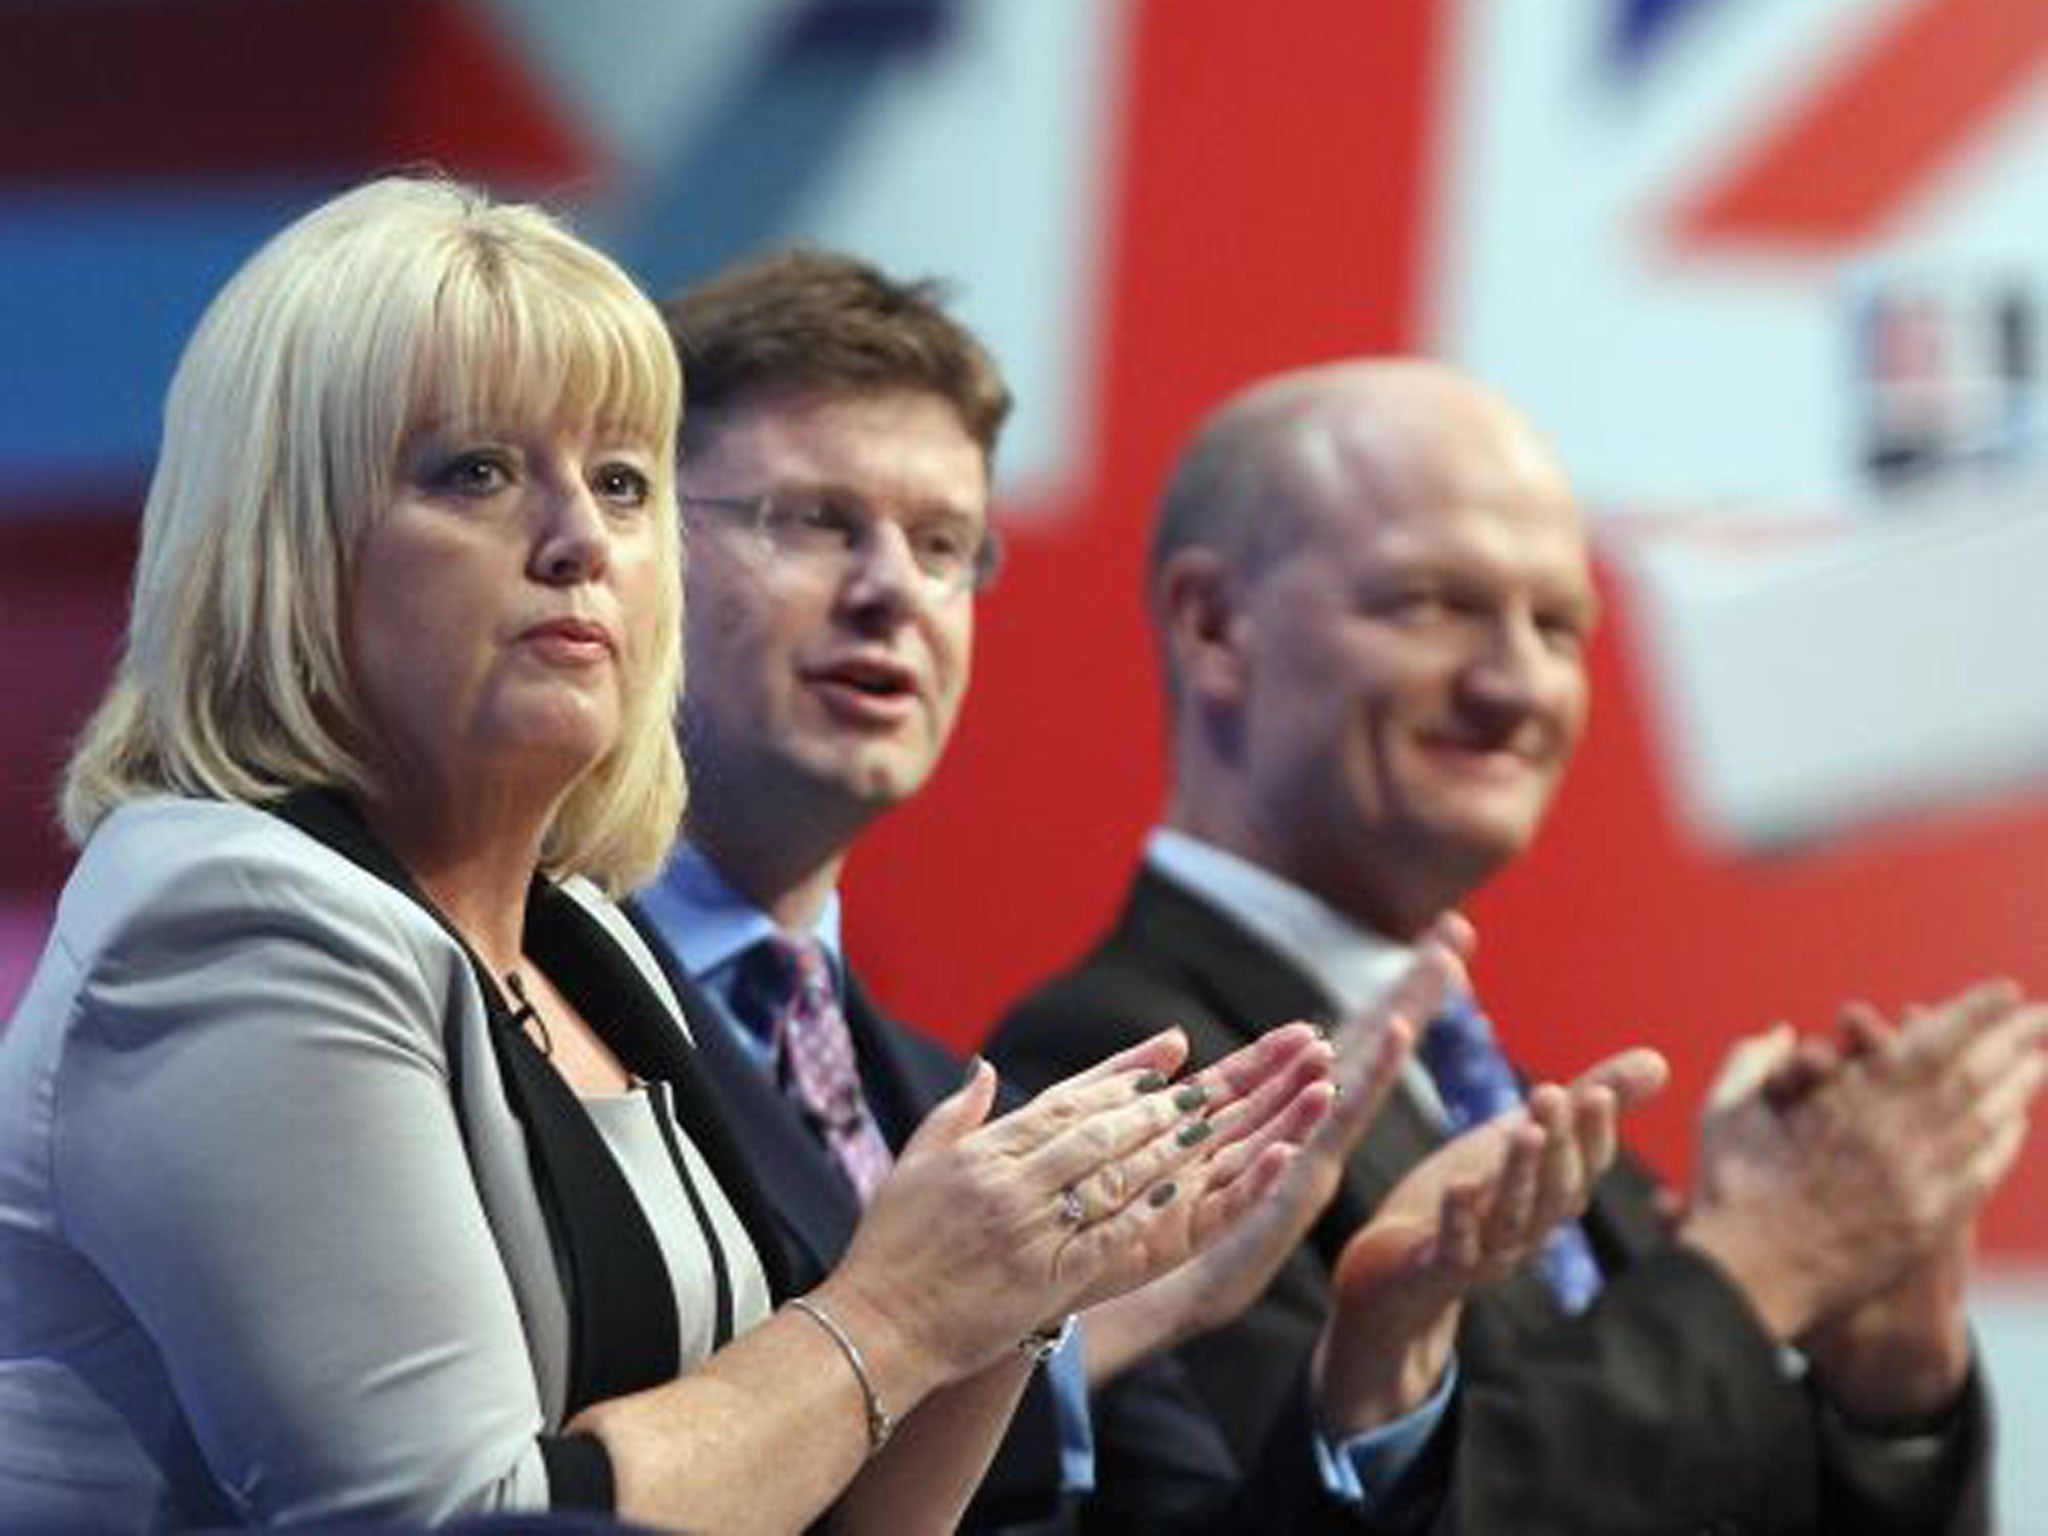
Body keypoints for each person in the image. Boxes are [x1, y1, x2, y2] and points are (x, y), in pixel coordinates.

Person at [0, 177, 1348, 1535]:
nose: (581, 540)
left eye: (624, 482)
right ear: (290, 536)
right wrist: (895, 1309)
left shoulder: (589, 934)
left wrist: (1005, 1304)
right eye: (476, 470)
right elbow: (465, 1523)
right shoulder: (234, 922)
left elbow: (812, 1506)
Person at [633, 251, 1665, 1534]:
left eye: (944, 543)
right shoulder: (520, 997)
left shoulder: (935, 1097)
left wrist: (1373, 1369)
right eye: (815, 521)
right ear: (627, 540)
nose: (893, 589)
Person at [990, 357, 2048, 1535]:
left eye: (1558, 625)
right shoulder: (1110, 1074)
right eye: (1431, 603)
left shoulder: (1492, 1098)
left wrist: (1885, 1385)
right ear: (1215, 623)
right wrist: (1759, 1271)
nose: (1516, 684)